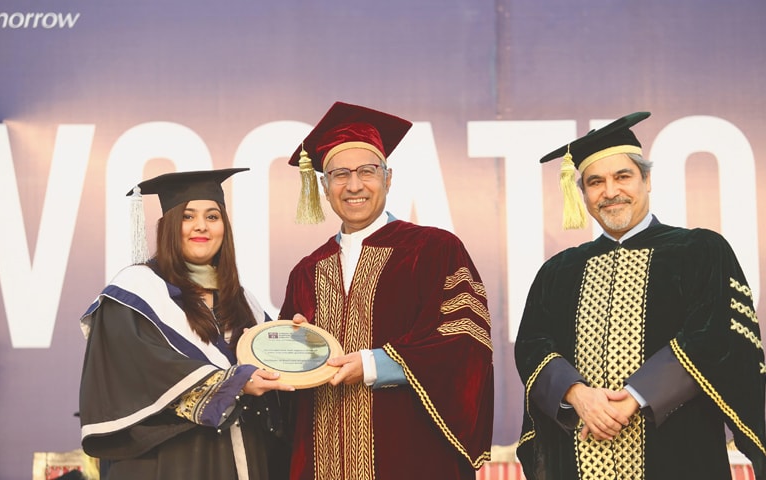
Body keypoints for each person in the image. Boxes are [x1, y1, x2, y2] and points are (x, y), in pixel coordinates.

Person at [514, 112, 766, 479]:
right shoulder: (558, 271)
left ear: (647, 180)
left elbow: (714, 336)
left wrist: (635, 395)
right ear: (581, 193)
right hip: (581, 457)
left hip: (680, 454)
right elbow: (533, 344)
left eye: (623, 176)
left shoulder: (699, 251)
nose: (610, 191)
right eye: (595, 182)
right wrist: (577, 394)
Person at [278, 101, 494, 479]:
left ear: (388, 178)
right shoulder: (307, 271)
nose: (355, 185)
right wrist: (291, 349)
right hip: (322, 459)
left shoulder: (434, 250)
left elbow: (464, 339)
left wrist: (375, 364)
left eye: (367, 171)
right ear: (324, 186)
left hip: (413, 457)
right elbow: (290, 379)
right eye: (339, 174)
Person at [78, 168, 295, 480]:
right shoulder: (136, 291)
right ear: (169, 226)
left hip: (244, 458)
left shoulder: (244, 301)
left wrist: (298, 342)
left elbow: (274, 374)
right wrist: (233, 383)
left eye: (212, 217)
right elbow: (138, 370)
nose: (201, 227)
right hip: (170, 462)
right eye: (188, 217)